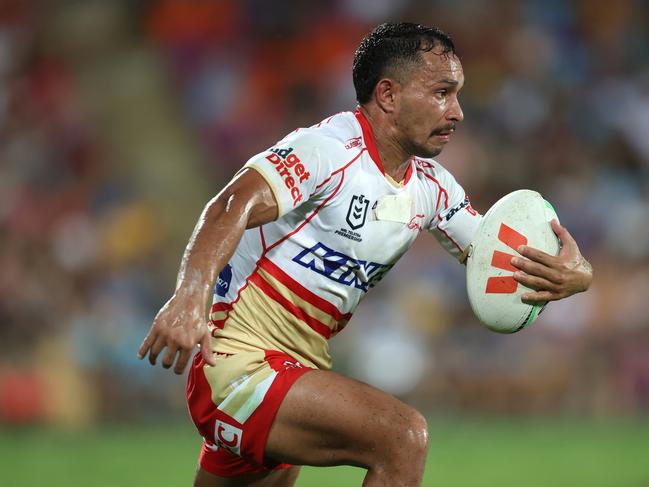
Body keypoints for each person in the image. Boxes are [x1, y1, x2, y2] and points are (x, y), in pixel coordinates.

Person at [138, 22, 593, 487]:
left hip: (296, 372)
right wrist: (190, 295)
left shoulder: (432, 187)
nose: (456, 112)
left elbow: (501, 261)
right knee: (402, 437)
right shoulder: (327, 150)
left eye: (457, 95)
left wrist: (575, 275)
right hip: (237, 367)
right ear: (389, 95)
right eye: (441, 92)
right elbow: (231, 203)